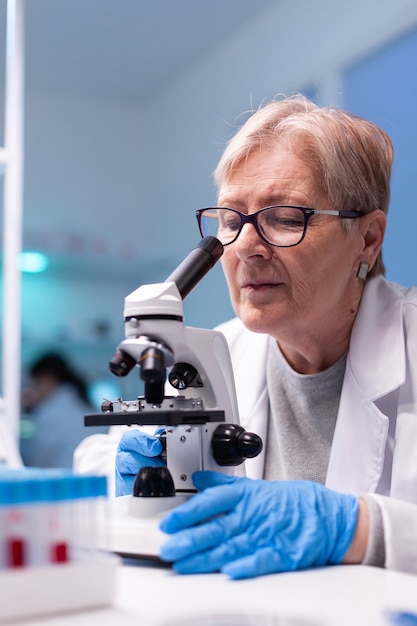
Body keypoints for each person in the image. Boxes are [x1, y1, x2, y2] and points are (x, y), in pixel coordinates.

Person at [74, 94, 417, 579]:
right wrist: (125, 470)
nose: (247, 248)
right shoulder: (220, 352)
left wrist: (358, 528)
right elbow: (101, 456)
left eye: (285, 217)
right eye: (232, 221)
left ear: (367, 238)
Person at [21, 351, 109, 468]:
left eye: (36, 384)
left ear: (48, 379)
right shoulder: (83, 404)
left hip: (65, 482)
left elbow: (35, 465)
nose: (34, 391)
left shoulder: (50, 414)